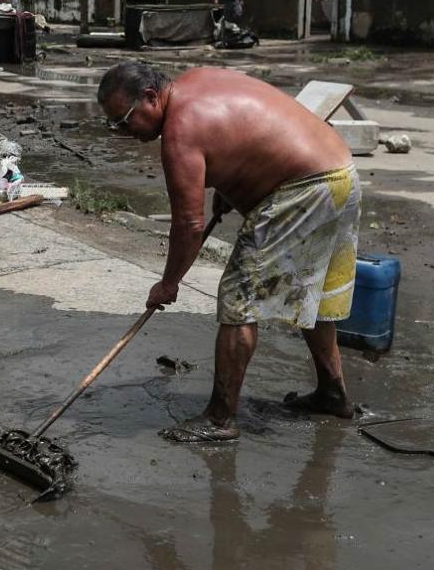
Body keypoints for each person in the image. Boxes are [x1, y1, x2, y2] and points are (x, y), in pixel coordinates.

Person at [96, 61, 361, 443]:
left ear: (151, 97)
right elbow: (246, 134)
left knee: (239, 298)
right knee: (314, 296)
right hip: (340, 174)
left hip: (306, 189)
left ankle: (220, 418)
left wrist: (168, 283)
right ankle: (332, 393)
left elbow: (188, 225)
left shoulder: (179, 130)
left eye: (124, 120)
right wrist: (228, 186)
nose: (123, 133)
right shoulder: (199, 79)